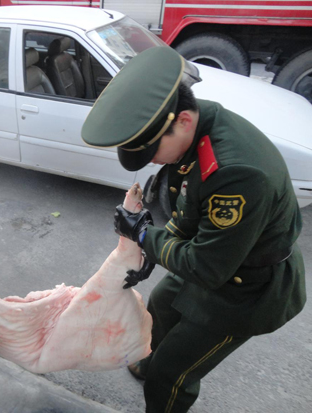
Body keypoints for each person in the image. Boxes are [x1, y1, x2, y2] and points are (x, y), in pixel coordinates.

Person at [81, 46, 306, 412]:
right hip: (216, 251)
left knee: (171, 374)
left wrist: (143, 235)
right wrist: (149, 251)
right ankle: (149, 361)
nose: (153, 160)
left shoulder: (236, 173)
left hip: (247, 288)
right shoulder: (199, 127)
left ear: (183, 120)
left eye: (153, 150)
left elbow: (206, 267)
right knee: (160, 304)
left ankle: (161, 379)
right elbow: (190, 210)